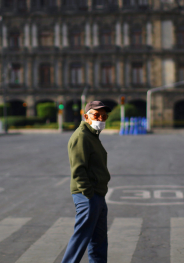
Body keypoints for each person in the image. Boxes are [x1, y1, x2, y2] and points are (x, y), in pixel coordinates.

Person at [61, 101, 112, 263]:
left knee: (98, 241)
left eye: (104, 116)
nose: (101, 119)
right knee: (81, 238)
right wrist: (88, 195)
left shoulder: (92, 135)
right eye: (96, 115)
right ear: (86, 116)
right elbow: (78, 169)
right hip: (88, 196)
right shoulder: (82, 136)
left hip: (97, 194)